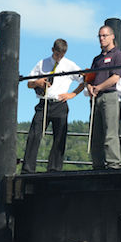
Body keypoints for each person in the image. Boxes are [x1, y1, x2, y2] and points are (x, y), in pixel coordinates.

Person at [22, 39, 83, 173]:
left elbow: (84, 79)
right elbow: (29, 83)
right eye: (57, 55)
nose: (59, 58)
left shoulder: (69, 65)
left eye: (61, 55)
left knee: (59, 137)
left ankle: (54, 169)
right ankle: (28, 169)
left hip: (60, 103)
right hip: (44, 102)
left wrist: (72, 94)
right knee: (34, 135)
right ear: (52, 50)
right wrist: (38, 83)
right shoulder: (42, 63)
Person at [82, 26, 121, 170]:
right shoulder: (97, 59)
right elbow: (90, 77)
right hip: (95, 98)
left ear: (112, 36)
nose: (102, 38)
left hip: (109, 96)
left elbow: (115, 78)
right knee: (96, 134)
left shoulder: (118, 55)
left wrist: (99, 87)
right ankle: (97, 164)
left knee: (110, 133)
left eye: (105, 35)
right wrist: (88, 85)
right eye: (100, 36)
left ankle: (113, 164)